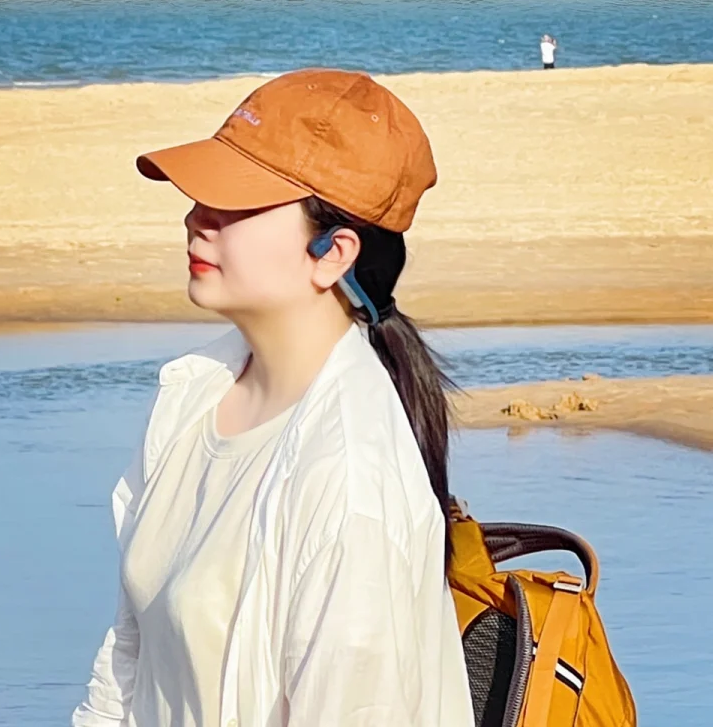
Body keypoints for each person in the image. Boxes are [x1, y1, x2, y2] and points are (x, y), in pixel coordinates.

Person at [72, 69, 474, 727]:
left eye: (237, 203)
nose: (196, 218)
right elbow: (130, 655)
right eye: (202, 191)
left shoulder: (349, 476)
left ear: (332, 252)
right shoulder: (191, 395)